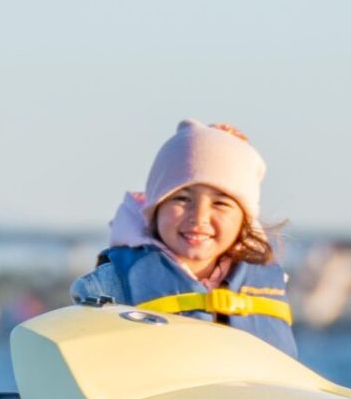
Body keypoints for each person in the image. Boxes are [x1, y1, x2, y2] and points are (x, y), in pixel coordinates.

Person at [72, 120, 297, 354]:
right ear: (155, 207)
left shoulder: (264, 281)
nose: (199, 217)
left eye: (220, 203)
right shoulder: (114, 281)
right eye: (182, 199)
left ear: (244, 220)